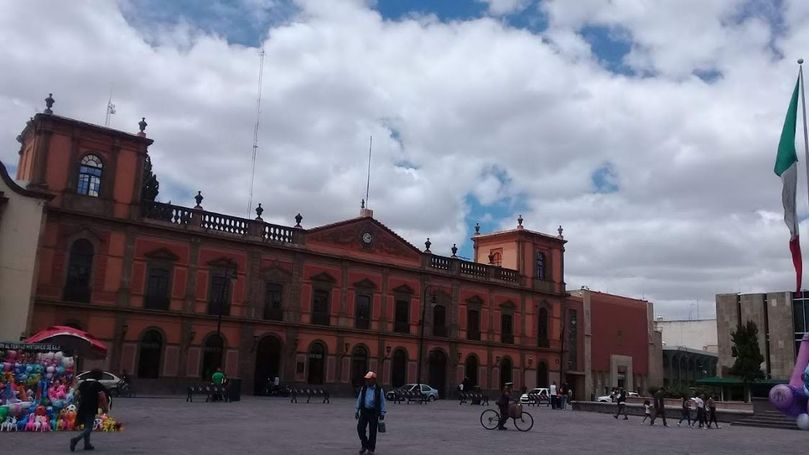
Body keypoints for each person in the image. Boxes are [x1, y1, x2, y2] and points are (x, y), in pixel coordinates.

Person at [70, 369, 109, 452]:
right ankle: (75, 439)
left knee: (86, 426)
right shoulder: (98, 384)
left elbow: (76, 394)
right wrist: (105, 408)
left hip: (82, 407)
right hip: (91, 407)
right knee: (89, 428)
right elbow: (102, 397)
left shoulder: (83, 383)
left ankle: (87, 444)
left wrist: (75, 404)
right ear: (99, 376)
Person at [355, 371, 386, 455]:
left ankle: (371, 449)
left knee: (372, 432)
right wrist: (356, 410)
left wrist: (382, 413)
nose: (367, 381)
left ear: (374, 380)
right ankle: (365, 445)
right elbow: (360, 399)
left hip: (374, 412)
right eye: (366, 380)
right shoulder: (364, 388)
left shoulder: (379, 390)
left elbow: (382, 402)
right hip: (364, 411)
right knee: (360, 429)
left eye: (369, 380)